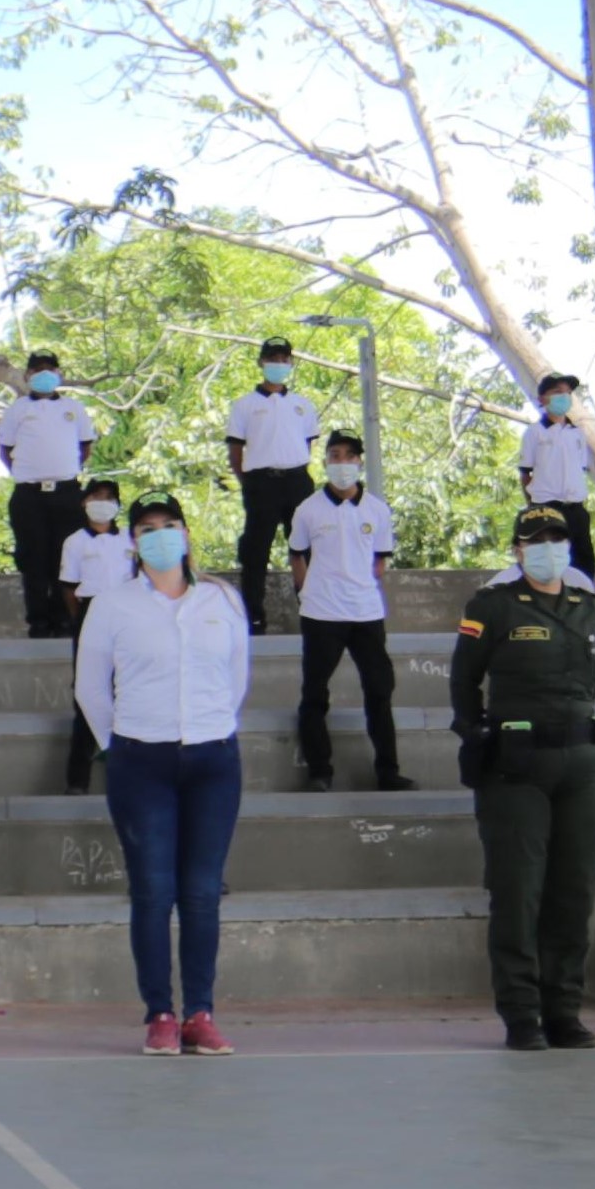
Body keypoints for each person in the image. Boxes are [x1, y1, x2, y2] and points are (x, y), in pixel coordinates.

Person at [80, 494, 251, 1056]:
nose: (158, 536)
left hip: (212, 760)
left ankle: (200, 1013)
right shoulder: (112, 604)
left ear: (185, 531)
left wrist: (211, 726)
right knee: (153, 892)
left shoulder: (222, 599)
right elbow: (90, 688)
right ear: (133, 541)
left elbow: (236, 677)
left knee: (202, 893)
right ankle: (159, 1013)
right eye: (146, 529)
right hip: (140, 762)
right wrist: (120, 747)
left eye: (168, 526)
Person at [452, 506, 595, 1051]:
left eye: (556, 539)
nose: (548, 549)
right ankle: (522, 1013)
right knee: (518, 890)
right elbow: (463, 683)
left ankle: (563, 1009)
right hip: (515, 765)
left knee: (575, 889)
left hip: (579, 762)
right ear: (517, 551)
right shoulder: (492, 606)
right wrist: (480, 739)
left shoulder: (590, 608)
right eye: (535, 541)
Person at [285, 433, 404, 791]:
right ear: (324, 461)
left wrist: (360, 584)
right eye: (334, 455)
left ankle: (388, 771)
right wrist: (306, 590)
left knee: (380, 691)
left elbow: (380, 559)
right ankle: (319, 771)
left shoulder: (378, 510)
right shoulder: (307, 509)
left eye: (349, 456)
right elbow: (296, 554)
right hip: (321, 613)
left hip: (366, 613)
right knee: (315, 693)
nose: (342, 462)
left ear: (359, 462)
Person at [0, 355, 100, 642]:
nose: (44, 374)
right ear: (28, 375)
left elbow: (85, 445)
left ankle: (64, 620)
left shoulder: (73, 408)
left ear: (59, 373)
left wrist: (66, 471)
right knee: (33, 560)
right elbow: (5, 449)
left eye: (49, 369)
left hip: (66, 493)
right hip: (29, 495)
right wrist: (26, 474)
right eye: (37, 369)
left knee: (64, 558)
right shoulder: (18, 409)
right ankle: (39, 623)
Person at [231, 340, 328, 625]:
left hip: (297, 480)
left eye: (284, 358)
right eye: (272, 357)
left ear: (291, 364)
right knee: (255, 550)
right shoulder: (245, 405)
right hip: (261, 482)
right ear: (261, 362)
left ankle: (315, 611)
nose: (278, 363)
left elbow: (306, 444)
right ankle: (254, 617)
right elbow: (235, 450)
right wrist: (247, 481)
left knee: (305, 547)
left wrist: (294, 469)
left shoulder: (303, 405)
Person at [54, 479, 138, 792]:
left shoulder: (130, 538)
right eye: (96, 497)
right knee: (88, 693)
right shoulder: (76, 541)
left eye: (109, 497)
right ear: (84, 502)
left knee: (127, 691)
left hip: (128, 612)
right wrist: (84, 622)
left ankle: (127, 773)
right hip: (91, 611)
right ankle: (77, 780)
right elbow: (68, 587)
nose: (102, 503)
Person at [513, 372, 595, 562]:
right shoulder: (534, 432)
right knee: (551, 559)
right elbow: (525, 472)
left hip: (576, 508)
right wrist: (533, 506)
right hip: (547, 506)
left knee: (583, 560)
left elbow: (581, 469)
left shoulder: (577, 433)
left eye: (568, 393)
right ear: (543, 399)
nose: (564, 397)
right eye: (557, 391)